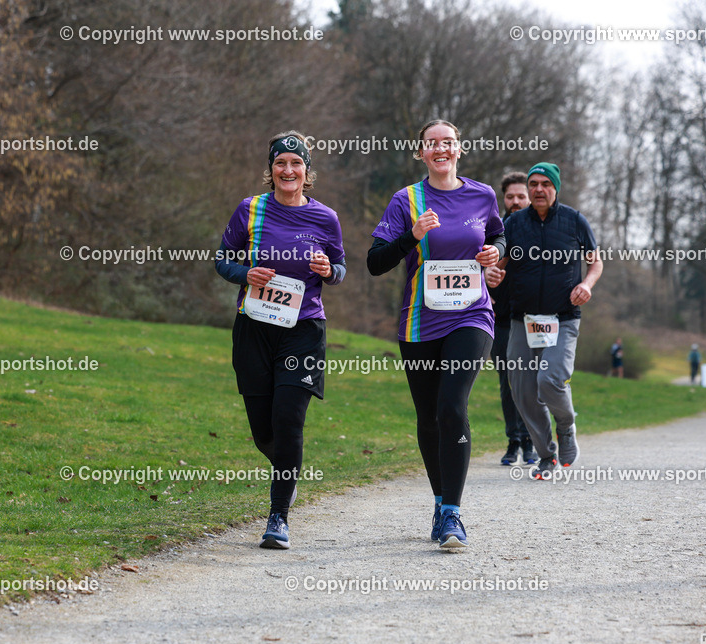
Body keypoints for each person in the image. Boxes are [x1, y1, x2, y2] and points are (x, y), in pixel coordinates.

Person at [367, 119, 504, 549]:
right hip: (419, 321)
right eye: (432, 144)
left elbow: (500, 234)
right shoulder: (405, 200)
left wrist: (495, 252)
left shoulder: (482, 195)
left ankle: (452, 514)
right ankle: (440, 500)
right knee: (428, 418)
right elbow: (375, 262)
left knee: (451, 405)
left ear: (458, 149)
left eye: (448, 143)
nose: (441, 149)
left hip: (472, 316)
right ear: (421, 153)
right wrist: (412, 236)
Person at [215, 131, 346, 549]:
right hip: (254, 326)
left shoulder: (325, 218)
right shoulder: (250, 209)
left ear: (307, 172)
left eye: (296, 164)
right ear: (270, 170)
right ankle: (288, 470)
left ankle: (277, 518)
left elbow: (340, 268)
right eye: (280, 164)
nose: (288, 171)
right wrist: (244, 274)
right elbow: (222, 259)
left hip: (303, 329)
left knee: (289, 420)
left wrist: (328, 270)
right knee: (263, 432)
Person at [487, 162, 602, 481]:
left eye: (545, 184)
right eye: (534, 183)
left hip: (563, 318)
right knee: (522, 392)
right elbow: (500, 263)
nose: (539, 189)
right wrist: (492, 274)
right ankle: (546, 455)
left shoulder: (574, 221)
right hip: (523, 320)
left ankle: (566, 427)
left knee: (549, 380)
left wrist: (586, 285)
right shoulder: (514, 224)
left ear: (555, 189)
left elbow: (595, 262)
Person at [489, 172, 536, 467]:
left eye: (521, 196)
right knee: (508, 383)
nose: (516, 201)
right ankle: (513, 441)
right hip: (501, 318)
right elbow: (475, 264)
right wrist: (484, 287)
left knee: (533, 382)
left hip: (536, 319)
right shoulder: (494, 230)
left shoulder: (540, 229)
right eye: (510, 197)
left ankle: (532, 441)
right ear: (503, 199)